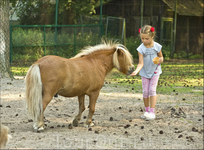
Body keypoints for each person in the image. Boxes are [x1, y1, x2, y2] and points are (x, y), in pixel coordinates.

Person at [130, 25, 164, 120]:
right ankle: (147, 111)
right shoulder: (141, 48)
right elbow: (141, 63)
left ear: (152, 36)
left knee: (152, 90)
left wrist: (159, 60)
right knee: (145, 92)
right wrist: (136, 71)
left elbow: (161, 57)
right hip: (145, 72)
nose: (144, 40)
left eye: (146, 38)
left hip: (155, 72)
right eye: (142, 38)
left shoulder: (157, 46)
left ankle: (152, 112)